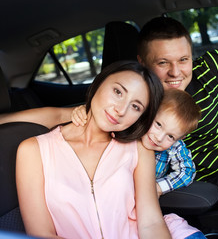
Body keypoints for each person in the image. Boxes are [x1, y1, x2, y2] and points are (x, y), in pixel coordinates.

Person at [2, 16, 218, 219]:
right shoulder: (136, 101)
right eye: (162, 63)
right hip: (217, 176)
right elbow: (56, 113)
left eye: (182, 59)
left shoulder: (208, 66)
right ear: (142, 61)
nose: (175, 73)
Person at [15, 60, 204, 239]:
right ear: (98, 83)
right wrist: (77, 113)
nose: (121, 110)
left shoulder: (139, 148)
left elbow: (151, 223)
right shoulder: (33, 151)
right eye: (118, 92)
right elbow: (40, 234)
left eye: (136, 107)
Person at [71, 88, 201, 197]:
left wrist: (159, 187)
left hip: (141, 200)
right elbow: (102, 122)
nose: (159, 137)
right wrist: (84, 111)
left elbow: (187, 172)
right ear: (149, 112)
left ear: (180, 138)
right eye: (158, 124)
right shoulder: (128, 125)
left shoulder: (175, 148)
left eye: (171, 136)